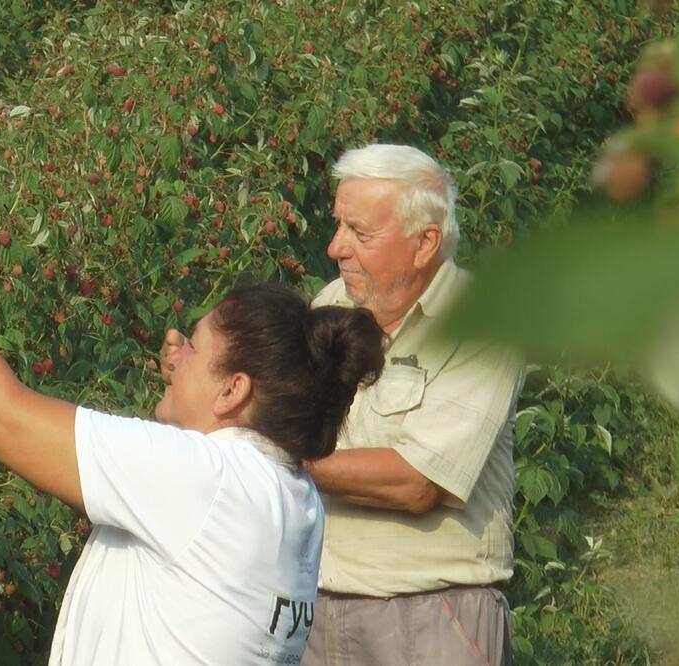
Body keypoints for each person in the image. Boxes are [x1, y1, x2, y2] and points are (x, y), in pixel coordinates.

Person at [0, 199, 385, 665]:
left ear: (232, 391)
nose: (176, 354)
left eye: (194, 345)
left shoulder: (207, 483)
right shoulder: (287, 495)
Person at [162, 144, 525, 665]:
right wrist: (195, 380)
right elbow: (254, 406)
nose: (336, 247)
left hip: (429, 616)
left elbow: (417, 482)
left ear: (425, 243)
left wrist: (273, 453)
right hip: (311, 611)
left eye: (360, 232)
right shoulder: (330, 304)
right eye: (339, 226)